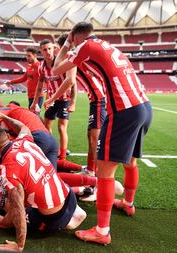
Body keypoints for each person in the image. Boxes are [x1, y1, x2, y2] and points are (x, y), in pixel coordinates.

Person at [52, 22, 152, 245]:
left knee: (105, 171)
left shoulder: (84, 46)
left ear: (77, 36)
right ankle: (127, 202)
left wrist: (67, 43)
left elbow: (55, 69)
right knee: (130, 162)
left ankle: (102, 230)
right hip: (144, 106)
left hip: (124, 110)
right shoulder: (109, 46)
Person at [0, 111, 86, 252]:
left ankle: (68, 222)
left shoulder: (7, 170)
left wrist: (19, 246)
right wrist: (4, 117)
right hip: (69, 196)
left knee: (11, 207)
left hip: (54, 217)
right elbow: (22, 126)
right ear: (7, 136)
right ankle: (76, 206)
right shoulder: (25, 140)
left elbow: (18, 210)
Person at [44, 33, 106, 176]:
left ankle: (97, 179)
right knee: (91, 136)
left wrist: (51, 98)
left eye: (56, 48)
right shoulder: (75, 55)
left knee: (95, 139)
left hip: (99, 99)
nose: (55, 51)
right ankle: (91, 170)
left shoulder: (72, 54)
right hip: (95, 99)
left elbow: (70, 81)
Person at [30, 39, 77, 161]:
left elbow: (73, 83)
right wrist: (35, 102)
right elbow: (39, 86)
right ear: (41, 51)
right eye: (45, 50)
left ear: (54, 49)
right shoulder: (41, 67)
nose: (48, 52)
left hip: (65, 99)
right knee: (46, 126)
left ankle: (62, 157)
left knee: (62, 128)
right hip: (52, 100)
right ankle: (53, 149)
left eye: (50, 49)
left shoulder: (61, 62)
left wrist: (73, 102)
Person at [4, 47, 43, 113]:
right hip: (30, 96)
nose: (27, 58)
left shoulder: (40, 66)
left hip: (37, 97)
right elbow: (23, 78)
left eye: (29, 56)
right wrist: (11, 82)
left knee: (34, 116)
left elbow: (47, 81)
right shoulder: (29, 66)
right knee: (32, 115)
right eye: (26, 56)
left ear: (35, 55)